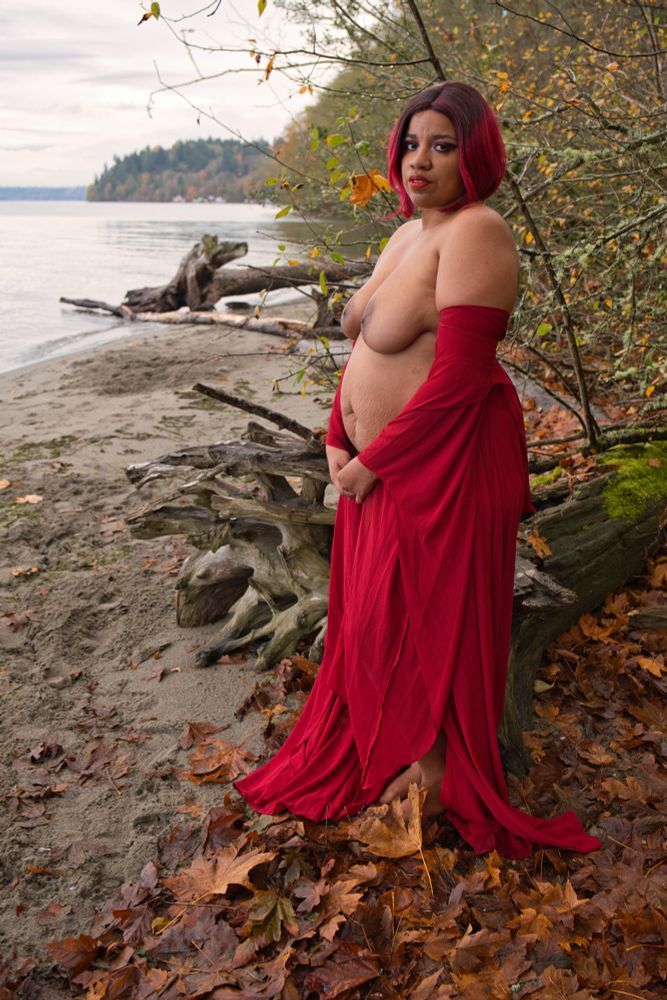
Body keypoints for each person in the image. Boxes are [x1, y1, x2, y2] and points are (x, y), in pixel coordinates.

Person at [234, 82, 602, 860]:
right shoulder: (405, 236)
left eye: (441, 145)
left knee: (427, 617)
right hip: (379, 465)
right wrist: (338, 435)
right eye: (410, 143)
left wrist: (376, 459)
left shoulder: (478, 232)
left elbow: (462, 376)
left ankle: (437, 775)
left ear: (474, 154)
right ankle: (397, 752)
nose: (419, 160)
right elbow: (365, 348)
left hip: (444, 466)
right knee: (375, 617)